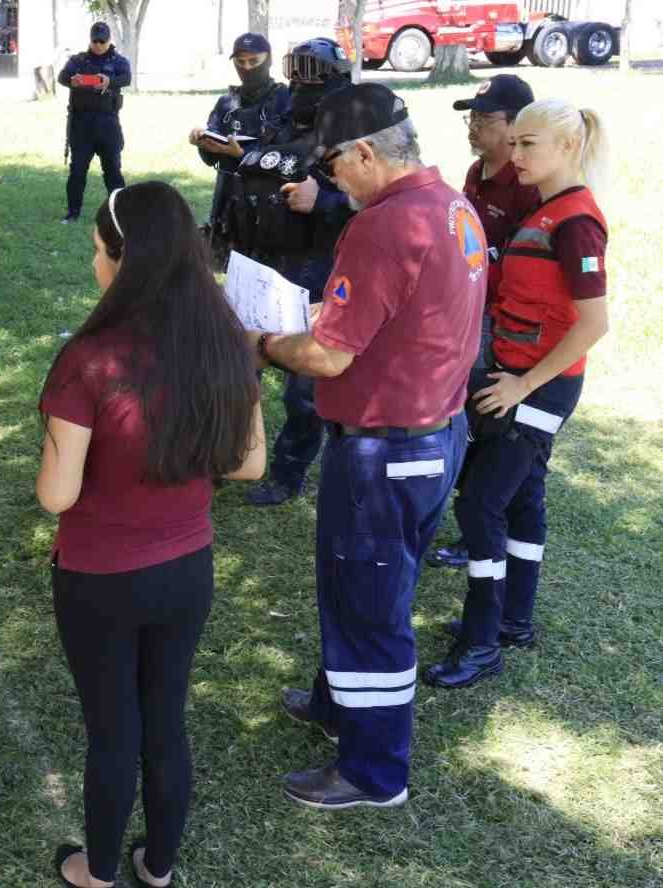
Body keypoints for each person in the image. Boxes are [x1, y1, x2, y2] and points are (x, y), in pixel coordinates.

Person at [250, 84, 484, 808]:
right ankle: (336, 704)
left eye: (329, 165)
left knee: (371, 605)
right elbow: (403, 313)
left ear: (361, 152)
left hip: (385, 447)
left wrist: (257, 341)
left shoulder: (384, 224)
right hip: (431, 433)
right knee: (362, 590)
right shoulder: (448, 203)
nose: (325, 180)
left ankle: (372, 772)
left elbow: (325, 358)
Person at [38, 182, 266, 887]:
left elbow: (56, 495)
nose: (93, 266)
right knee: (164, 721)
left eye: (96, 252)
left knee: (113, 731)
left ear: (121, 259)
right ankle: (157, 865)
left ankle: (98, 870)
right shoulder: (225, 341)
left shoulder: (89, 358)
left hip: (98, 578)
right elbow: (250, 464)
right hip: (185, 569)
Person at [424, 99, 610, 689]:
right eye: (517, 141)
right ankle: (513, 621)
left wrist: (523, 384)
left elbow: (594, 322)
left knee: (479, 503)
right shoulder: (547, 207)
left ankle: (482, 643)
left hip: (538, 387)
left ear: (568, 148)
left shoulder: (575, 219)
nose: (516, 152)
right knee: (523, 497)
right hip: (518, 376)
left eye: (530, 144)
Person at [226, 37, 358, 507]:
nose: (300, 80)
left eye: (311, 72)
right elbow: (254, 168)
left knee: (304, 383)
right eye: (295, 70)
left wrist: (324, 201)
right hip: (265, 254)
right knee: (240, 361)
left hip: (318, 263)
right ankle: (231, 452)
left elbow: (379, 201)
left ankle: (288, 472)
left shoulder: (357, 122)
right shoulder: (284, 113)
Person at [427, 74, 542, 569]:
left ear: (517, 126)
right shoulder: (477, 171)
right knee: (470, 422)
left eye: (485, 118)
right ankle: (476, 532)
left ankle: (486, 537)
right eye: (470, 117)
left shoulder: (529, 185)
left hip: (503, 327)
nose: (472, 127)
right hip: (470, 312)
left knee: (487, 432)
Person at [190, 32, 290, 267]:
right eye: (240, 62)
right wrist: (203, 142)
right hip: (230, 200)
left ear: (269, 60)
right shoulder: (227, 102)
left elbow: (288, 157)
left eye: (254, 61)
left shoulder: (284, 99)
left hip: (271, 204)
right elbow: (211, 157)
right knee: (233, 275)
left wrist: (243, 155)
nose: (247, 67)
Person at [59, 22, 131, 224]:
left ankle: (121, 215)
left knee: (113, 171)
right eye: (95, 41)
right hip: (82, 124)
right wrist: (73, 81)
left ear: (109, 40)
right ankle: (73, 213)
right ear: (89, 40)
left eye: (103, 41)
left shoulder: (118, 61)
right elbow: (62, 77)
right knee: (77, 170)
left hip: (108, 123)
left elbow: (127, 78)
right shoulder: (78, 60)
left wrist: (109, 81)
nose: (98, 45)